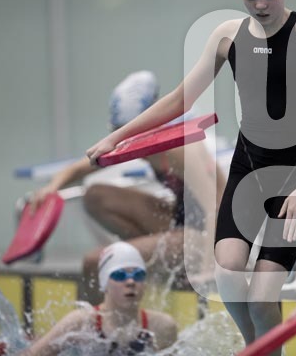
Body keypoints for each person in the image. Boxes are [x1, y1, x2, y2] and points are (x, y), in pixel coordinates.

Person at [86, 0, 296, 353]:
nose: (260, 4)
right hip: (249, 169)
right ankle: (257, 348)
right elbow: (180, 99)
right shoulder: (227, 36)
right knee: (228, 277)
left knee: (262, 299)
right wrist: (117, 138)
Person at [30, 70, 225, 302]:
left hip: (210, 234)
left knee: (95, 262)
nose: (126, 141)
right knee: (95, 196)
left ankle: (101, 317)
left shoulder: (180, 148)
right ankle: (152, 255)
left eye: (129, 133)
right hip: (180, 224)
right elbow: (83, 166)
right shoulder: (144, 139)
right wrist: (52, 187)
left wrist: (206, 271)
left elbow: (215, 207)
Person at [21, 242, 177, 355]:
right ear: (104, 283)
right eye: (119, 275)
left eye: (138, 275)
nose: (130, 282)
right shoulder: (81, 324)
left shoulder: (161, 328)